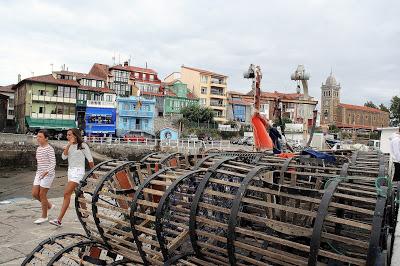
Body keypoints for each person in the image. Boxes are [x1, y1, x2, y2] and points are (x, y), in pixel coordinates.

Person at [50, 128, 94, 226]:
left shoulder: (83, 145)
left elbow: (90, 160)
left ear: (75, 135)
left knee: (66, 194)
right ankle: (86, 214)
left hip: (79, 173)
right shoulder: (69, 146)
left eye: (70, 135)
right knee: (79, 193)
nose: (68, 136)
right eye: (67, 135)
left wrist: (94, 173)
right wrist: (69, 144)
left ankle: (59, 220)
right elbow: (63, 157)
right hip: (70, 172)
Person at [32, 129, 56, 224]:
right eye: (37, 136)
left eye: (40, 137)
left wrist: (46, 172)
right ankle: (49, 205)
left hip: (48, 174)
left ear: (46, 138)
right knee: (34, 194)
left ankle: (44, 216)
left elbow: (53, 163)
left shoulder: (49, 149)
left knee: (42, 194)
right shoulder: (38, 148)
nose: (38, 138)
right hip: (39, 173)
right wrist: (40, 172)